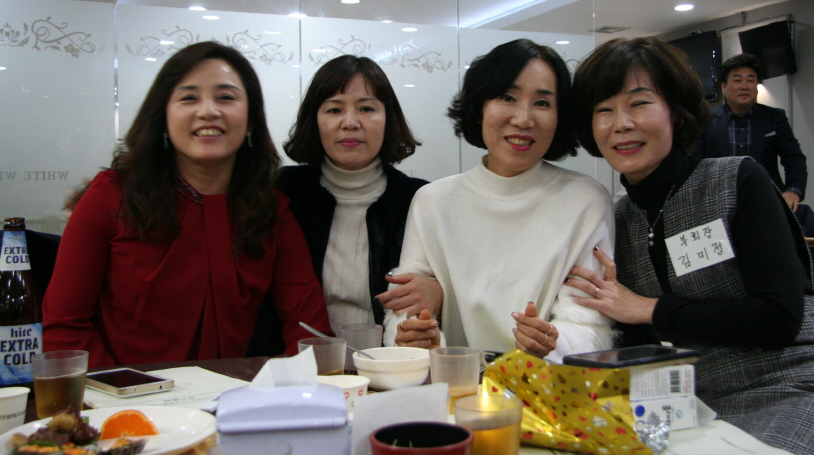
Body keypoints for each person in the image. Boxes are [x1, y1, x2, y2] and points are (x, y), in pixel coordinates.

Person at [568, 36, 814, 455]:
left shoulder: (735, 180)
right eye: (604, 110)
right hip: (689, 401)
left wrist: (650, 308)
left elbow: (780, 317)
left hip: (792, 383)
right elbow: (638, 338)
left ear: (676, 111)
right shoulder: (618, 218)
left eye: (639, 103)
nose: (622, 123)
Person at [43, 41, 332, 368]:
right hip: (124, 395)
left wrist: (284, 385)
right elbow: (65, 329)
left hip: (236, 396)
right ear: (163, 116)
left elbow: (310, 331)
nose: (208, 111)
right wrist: (125, 392)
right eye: (189, 98)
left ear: (251, 120)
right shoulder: (110, 197)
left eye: (226, 97)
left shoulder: (271, 212)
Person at [387, 39, 616, 363]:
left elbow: (589, 322)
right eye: (508, 97)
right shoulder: (433, 201)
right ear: (480, 105)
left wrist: (553, 341)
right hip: (457, 383)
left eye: (542, 103)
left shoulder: (585, 200)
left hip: (547, 386)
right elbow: (404, 308)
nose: (523, 119)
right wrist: (418, 336)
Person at [248, 55, 435, 355]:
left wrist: (438, 293)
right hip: (295, 364)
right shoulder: (282, 193)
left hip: (389, 364)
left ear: (388, 119)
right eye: (334, 109)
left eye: (366, 108)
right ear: (315, 120)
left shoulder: (419, 199)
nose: (350, 123)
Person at [693, 53, 807, 211]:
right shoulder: (706, 119)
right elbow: (694, 162)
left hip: (765, 200)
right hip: (718, 202)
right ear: (724, 87)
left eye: (751, 80)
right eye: (737, 80)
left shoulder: (774, 117)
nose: (744, 86)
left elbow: (793, 158)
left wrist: (793, 190)